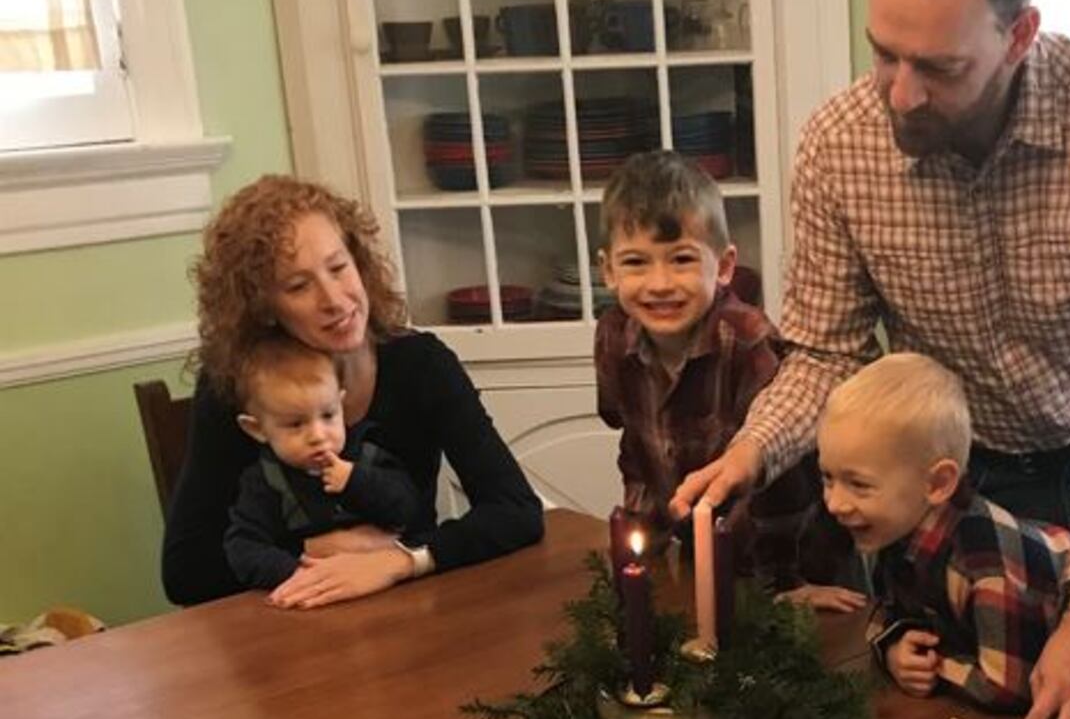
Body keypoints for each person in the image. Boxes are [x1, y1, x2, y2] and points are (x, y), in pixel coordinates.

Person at [671, 0, 1070, 719]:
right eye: (884, 55)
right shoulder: (840, 144)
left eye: (940, 68)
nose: (900, 95)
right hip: (940, 487)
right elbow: (829, 352)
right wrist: (752, 449)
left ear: (1018, 35)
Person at [163, 175, 544, 608]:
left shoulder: (421, 364)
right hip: (289, 631)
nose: (334, 299)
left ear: (359, 263)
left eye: (339, 267)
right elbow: (186, 571)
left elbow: (515, 510)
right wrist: (310, 555)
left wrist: (402, 559)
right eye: (298, 286)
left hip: (414, 610)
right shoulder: (233, 389)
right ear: (263, 308)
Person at [595, 150, 859, 604]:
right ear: (608, 271)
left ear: (724, 265)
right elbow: (636, 448)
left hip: (798, 566)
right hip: (701, 560)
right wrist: (643, 539)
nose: (659, 283)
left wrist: (787, 585)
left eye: (681, 260)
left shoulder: (749, 343)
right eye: (636, 262)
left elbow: (787, 481)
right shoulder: (613, 336)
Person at [818, 353, 1070, 712]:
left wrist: (936, 665)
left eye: (858, 485)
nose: (835, 503)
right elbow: (889, 613)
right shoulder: (896, 528)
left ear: (938, 483)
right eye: (828, 478)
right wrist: (893, 648)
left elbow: (1009, 685)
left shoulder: (985, 560)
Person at [224, 336, 422, 592]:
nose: (318, 435)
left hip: (389, 588)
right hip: (313, 596)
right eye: (296, 424)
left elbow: (409, 510)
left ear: (341, 403)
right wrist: (300, 572)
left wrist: (356, 480)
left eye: (328, 415)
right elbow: (243, 547)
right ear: (257, 428)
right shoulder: (265, 481)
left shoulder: (368, 456)